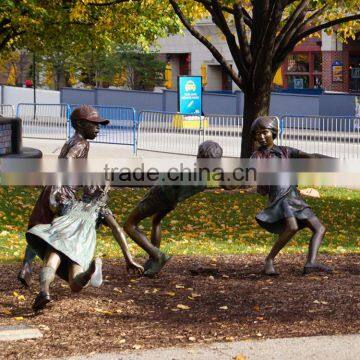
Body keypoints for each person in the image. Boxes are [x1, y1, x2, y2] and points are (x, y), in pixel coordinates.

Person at [18, 105, 142, 288]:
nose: (98, 128)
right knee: (56, 233)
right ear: (80, 124)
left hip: (52, 189)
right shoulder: (82, 143)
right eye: (94, 124)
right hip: (61, 192)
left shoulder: (72, 140)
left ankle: (26, 267)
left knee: (42, 229)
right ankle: (72, 264)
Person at [124, 140, 223, 277]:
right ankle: (154, 261)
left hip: (159, 195)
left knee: (129, 225)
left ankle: (158, 256)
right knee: (156, 221)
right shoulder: (208, 179)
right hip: (171, 201)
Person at [250, 116, 332, 276]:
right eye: (258, 134)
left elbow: (309, 156)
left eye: (264, 132)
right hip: (281, 198)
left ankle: (311, 262)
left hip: (294, 196)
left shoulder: (286, 151)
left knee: (320, 228)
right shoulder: (257, 156)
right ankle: (269, 260)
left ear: (273, 132)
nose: (261, 137)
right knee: (292, 227)